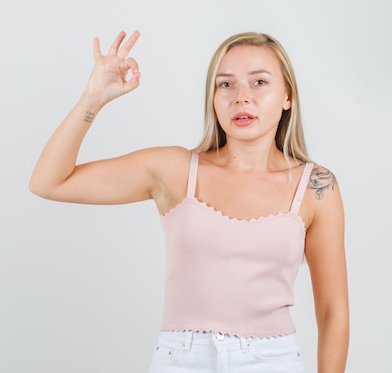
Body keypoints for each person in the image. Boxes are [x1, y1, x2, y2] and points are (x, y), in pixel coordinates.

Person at [29, 30, 349, 372]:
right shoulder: (174, 170)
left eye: (259, 82)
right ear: (212, 98)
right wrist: (93, 97)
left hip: (273, 362)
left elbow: (333, 312)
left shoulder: (316, 186)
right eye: (226, 84)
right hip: (181, 360)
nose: (241, 97)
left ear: (287, 96)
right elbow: (49, 182)